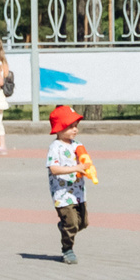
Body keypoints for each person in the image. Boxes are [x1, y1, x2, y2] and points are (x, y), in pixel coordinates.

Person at [48, 106, 89, 261]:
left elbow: (84, 161)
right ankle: (67, 250)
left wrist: (86, 167)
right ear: (59, 128)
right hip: (63, 194)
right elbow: (54, 169)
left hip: (78, 192)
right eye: (70, 126)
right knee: (71, 223)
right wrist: (75, 168)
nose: (75, 130)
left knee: (83, 222)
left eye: (76, 126)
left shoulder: (76, 144)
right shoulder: (55, 147)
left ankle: (64, 227)